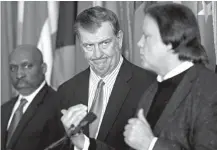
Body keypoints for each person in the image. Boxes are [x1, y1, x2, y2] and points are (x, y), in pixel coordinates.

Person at [58, 6, 156, 150]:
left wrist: (84, 144)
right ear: (81, 45)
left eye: (104, 43)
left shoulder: (149, 85)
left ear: (119, 39)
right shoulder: (66, 90)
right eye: (89, 46)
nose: (97, 55)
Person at [124, 3, 217, 150]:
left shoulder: (210, 88)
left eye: (147, 36)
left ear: (170, 40)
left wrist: (151, 145)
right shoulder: (150, 91)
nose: (139, 43)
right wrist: (85, 143)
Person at [1, 45, 64, 150]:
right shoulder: (4, 109)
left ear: (43, 68)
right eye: (13, 68)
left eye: (26, 66)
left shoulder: (59, 105)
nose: (19, 74)